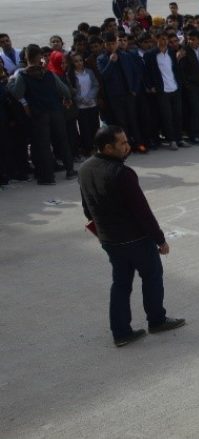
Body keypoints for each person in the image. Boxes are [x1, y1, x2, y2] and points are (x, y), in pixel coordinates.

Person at [78, 125, 186, 347]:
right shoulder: (122, 174)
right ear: (108, 147)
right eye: (122, 143)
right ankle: (156, 320)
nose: (127, 146)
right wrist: (160, 239)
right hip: (135, 239)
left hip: (109, 240)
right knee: (152, 276)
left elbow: (87, 209)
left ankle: (121, 332)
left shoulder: (85, 169)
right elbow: (142, 211)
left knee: (121, 284)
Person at [8, 45, 76, 186]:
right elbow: (65, 91)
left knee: (43, 145)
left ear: (27, 57)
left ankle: (48, 177)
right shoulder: (49, 73)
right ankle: (70, 170)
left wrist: (10, 84)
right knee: (63, 141)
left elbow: (17, 94)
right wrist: (66, 99)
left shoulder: (23, 75)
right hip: (55, 111)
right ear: (39, 56)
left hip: (39, 114)